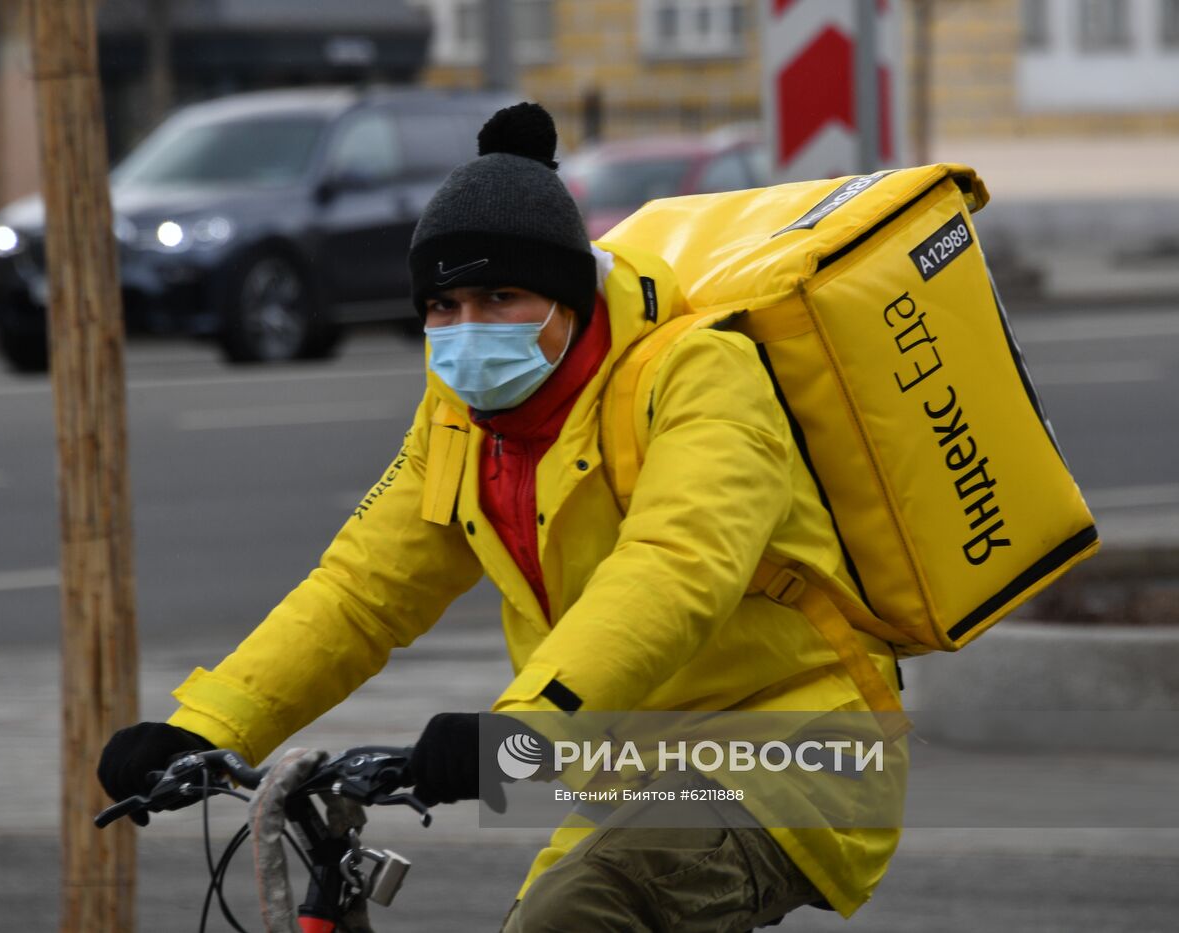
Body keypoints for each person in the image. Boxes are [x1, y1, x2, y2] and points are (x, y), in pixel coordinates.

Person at [97, 102, 903, 932]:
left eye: (500, 295)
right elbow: (361, 591)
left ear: (572, 295)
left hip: (797, 751)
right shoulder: (460, 415)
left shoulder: (701, 374)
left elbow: (675, 569)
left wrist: (515, 732)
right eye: (442, 307)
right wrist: (204, 728)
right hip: (628, 774)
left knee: (576, 910)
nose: (465, 329)